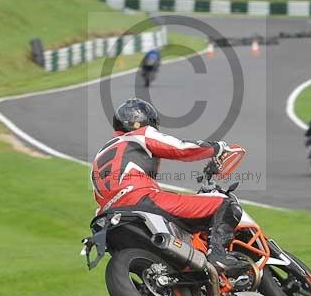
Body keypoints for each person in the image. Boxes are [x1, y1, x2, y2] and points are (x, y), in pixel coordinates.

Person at [91, 98, 245, 273]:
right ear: (147, 121)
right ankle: (218, 256)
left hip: (107, 217)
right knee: (225, 203)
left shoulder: (101, 153)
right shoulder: (140, 135)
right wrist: (218, 148)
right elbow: (181, 148)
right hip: (141, 200)